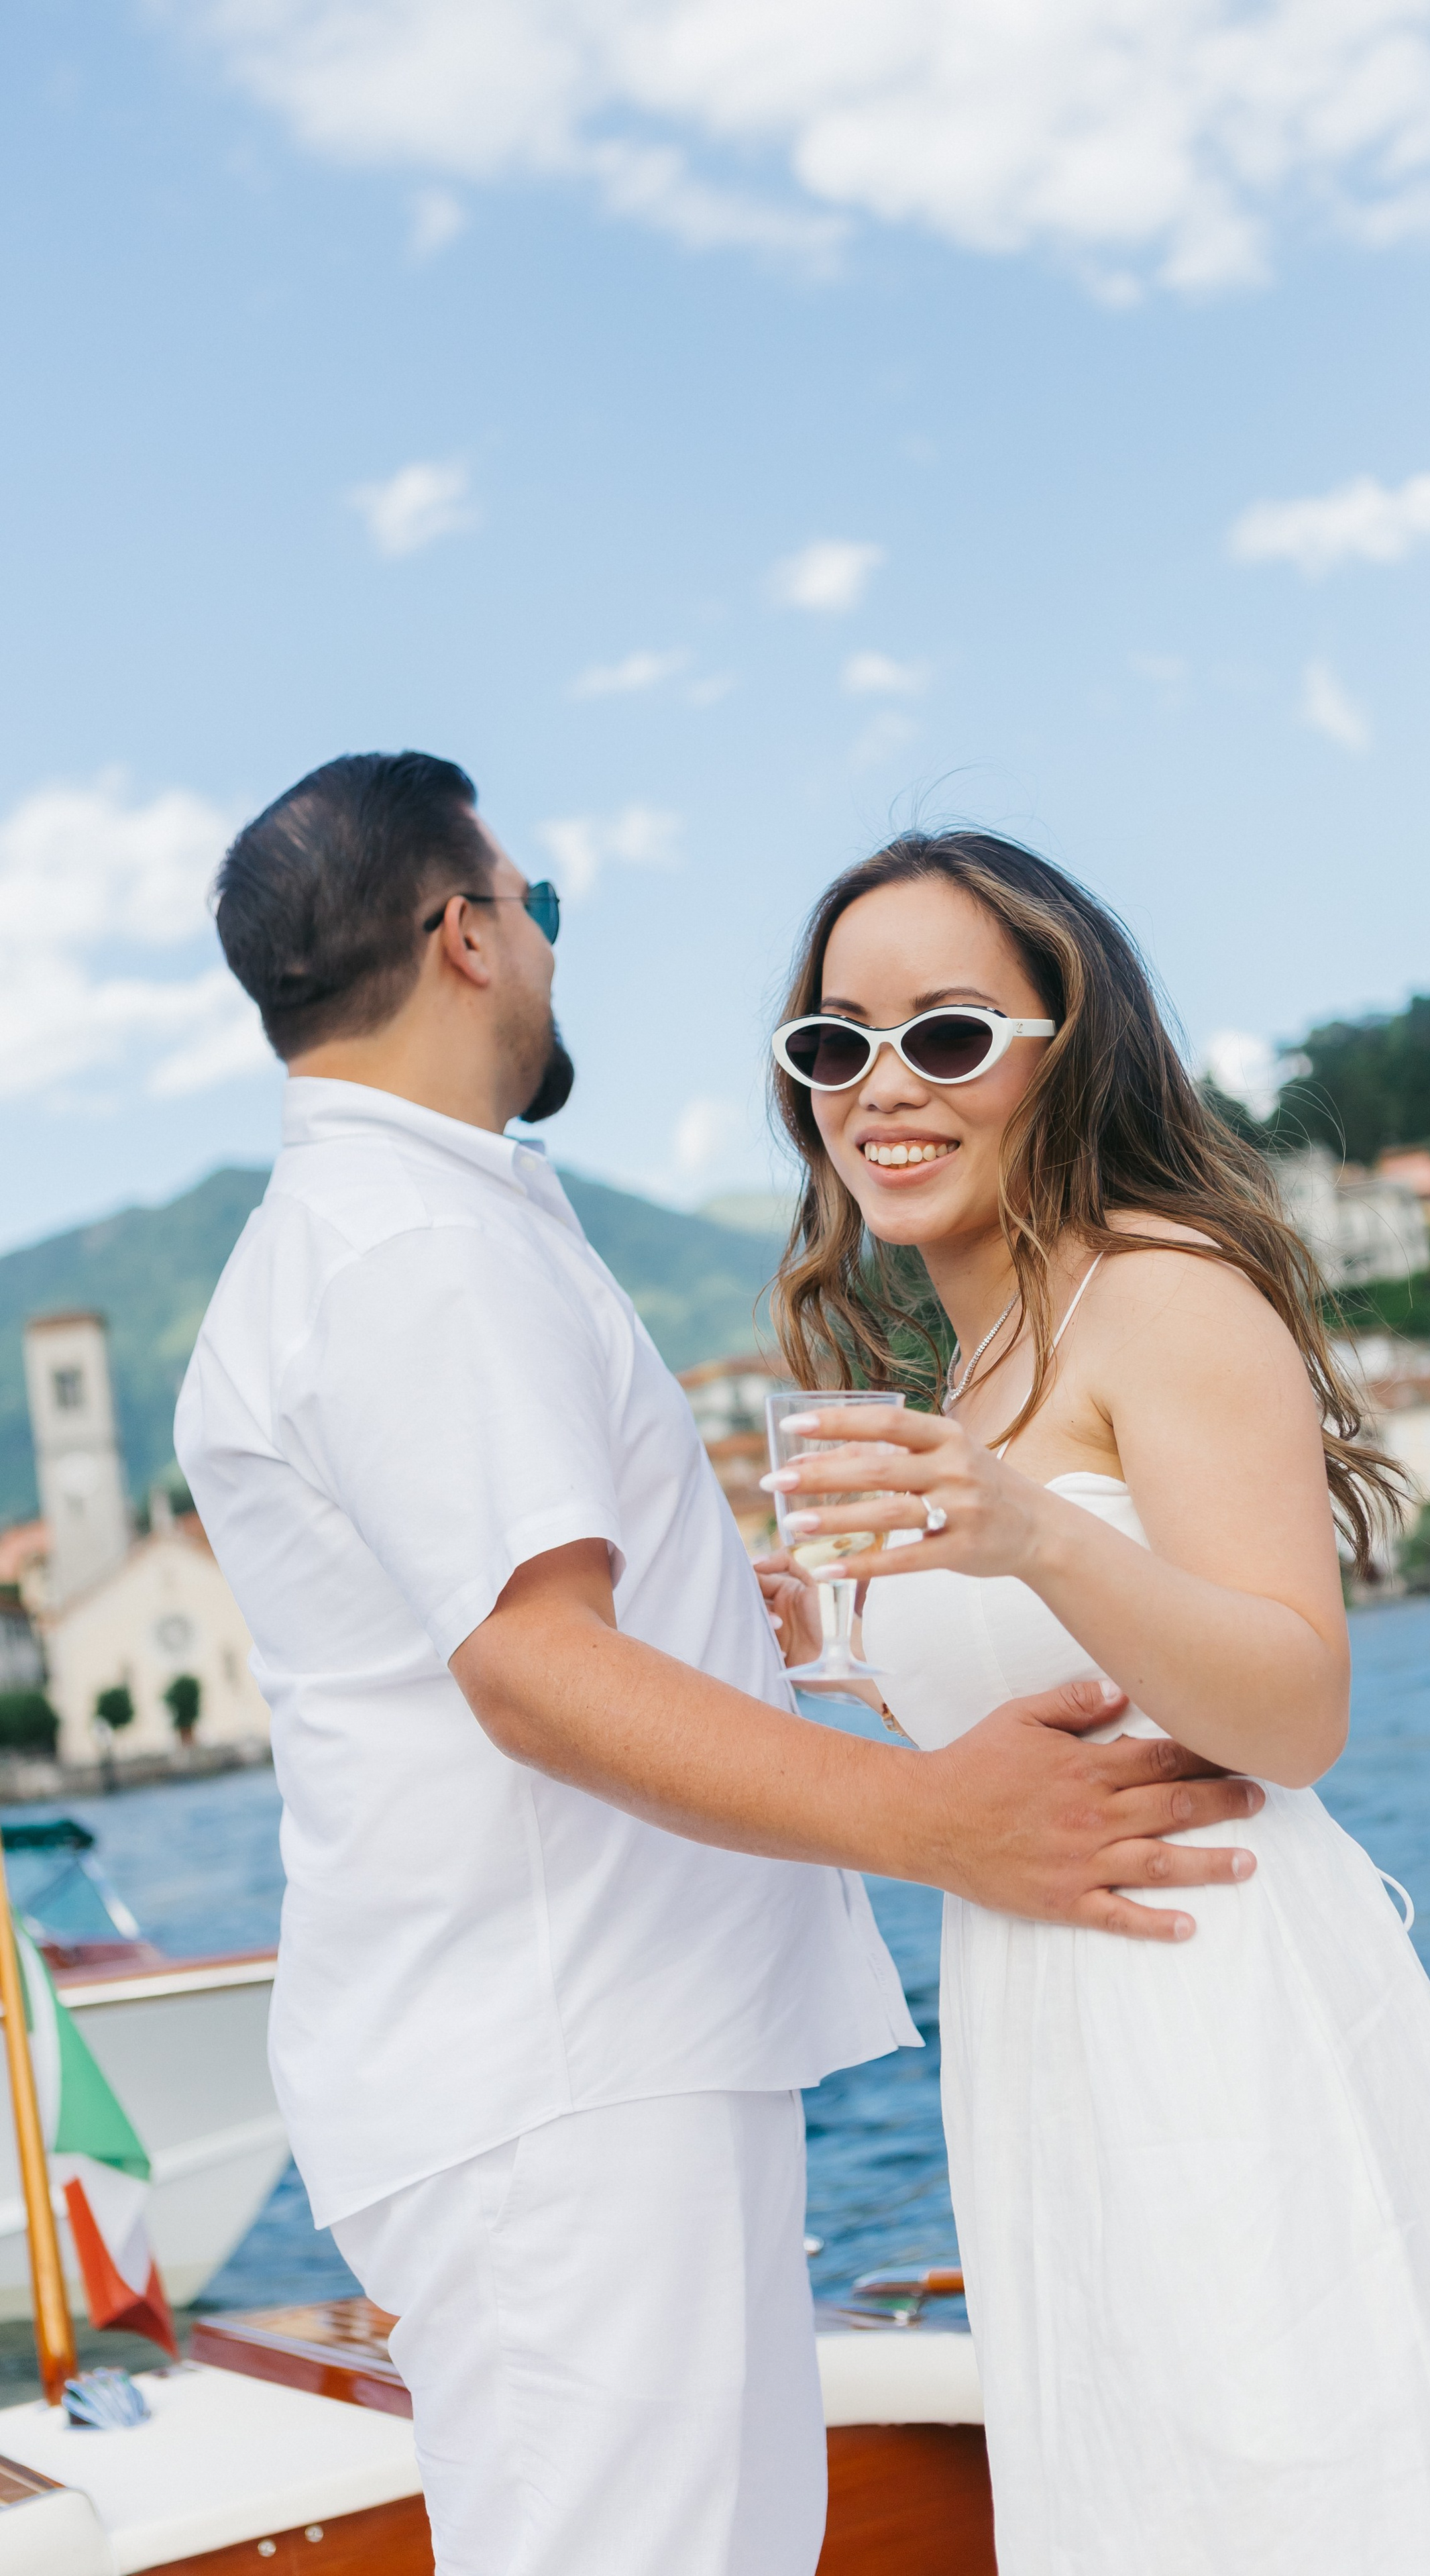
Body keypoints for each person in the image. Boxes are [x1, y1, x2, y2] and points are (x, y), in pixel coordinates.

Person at [173, 754, 1264, 2576]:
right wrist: (941, 1820)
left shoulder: (389, 1230)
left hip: (575, 2057)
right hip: (568, 2078)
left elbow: (507, 1637)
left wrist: (725, 1615)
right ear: (464, 937)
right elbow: (533, 1671)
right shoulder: (419, 1247)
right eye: (537, 907)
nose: (548, 946)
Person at [755, 828, 1430, 2576]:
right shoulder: (975, 1367)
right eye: (834, 1043)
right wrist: (841, 1635)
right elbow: (1063, 1704)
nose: (882, 1086)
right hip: (1048, 2034)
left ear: (1065, 1052)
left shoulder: (1162, 1289)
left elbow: (1297, 1706)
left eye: (943, 1034)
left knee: (1294, 2490)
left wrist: (1026, 1531)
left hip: (1214, 2011)